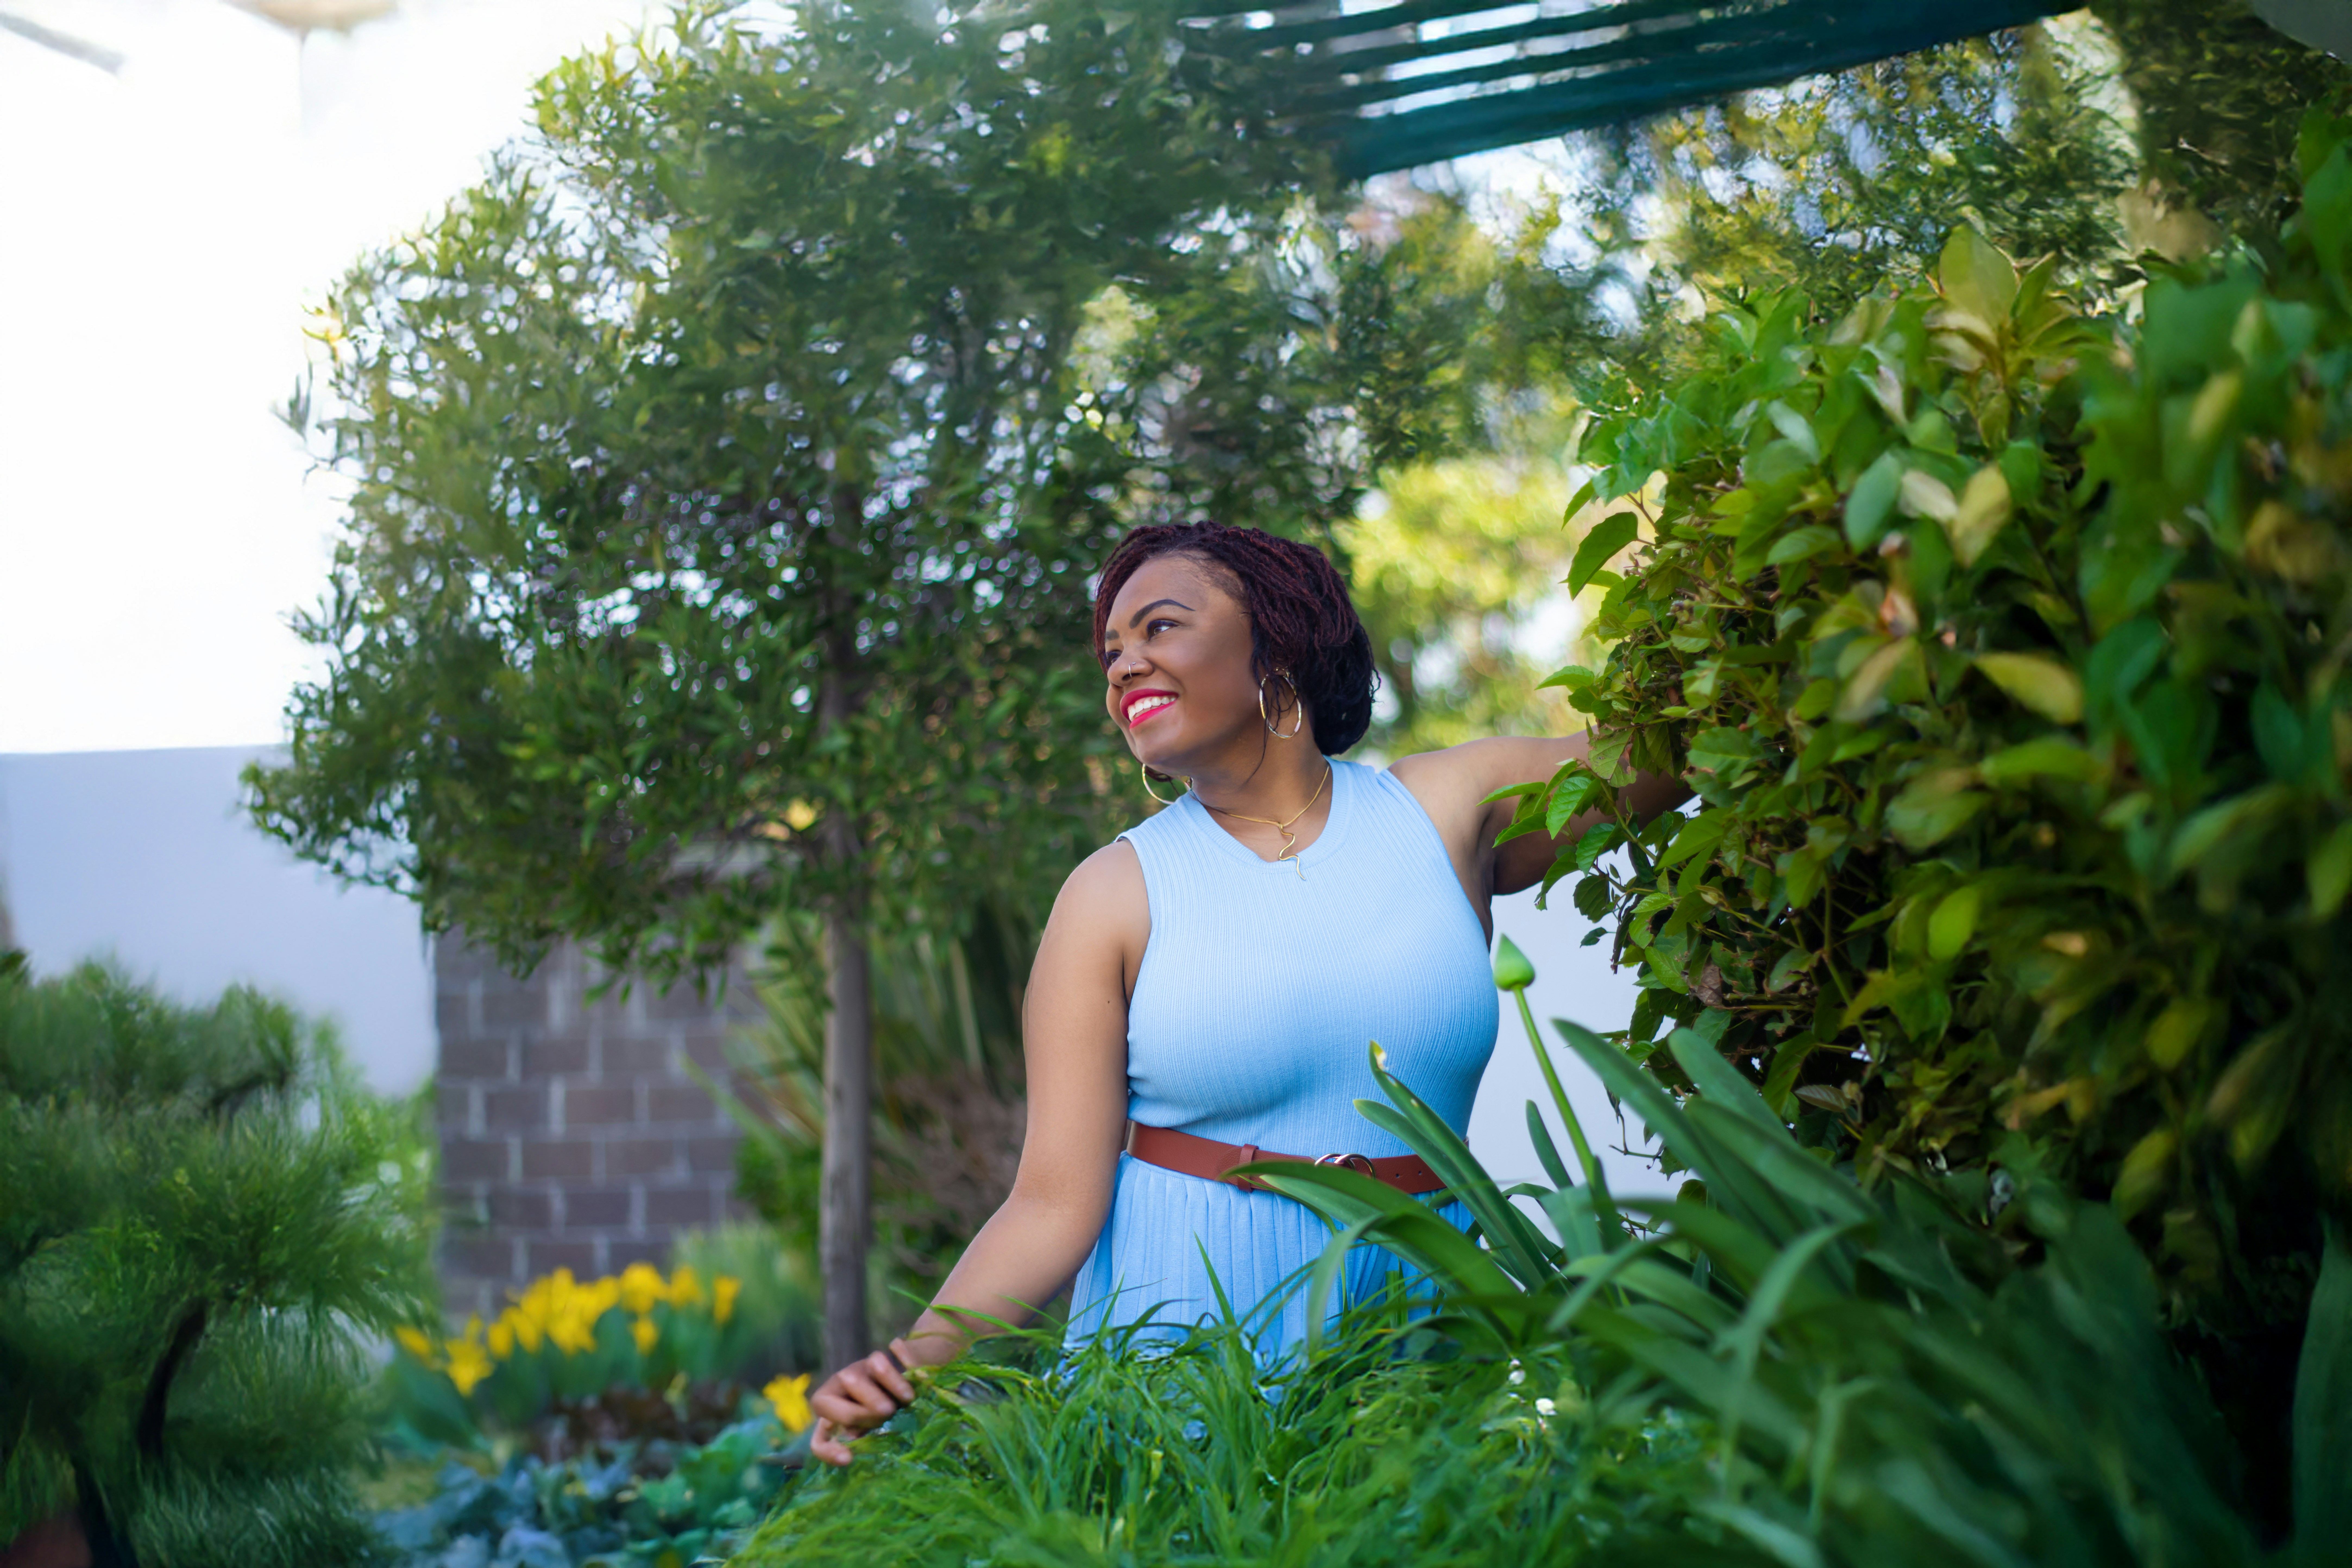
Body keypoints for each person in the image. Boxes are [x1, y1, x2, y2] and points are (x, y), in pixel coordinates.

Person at [808, 521, 1686, 1466]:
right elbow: (1052, 1200)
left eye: (1160, 628)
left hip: (1428, 1340)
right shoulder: (1111, 897)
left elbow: (1663, 755)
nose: (1123, 664)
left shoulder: (1443, 810)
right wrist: (908, 1367)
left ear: (1274, 640)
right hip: (1188, 1364)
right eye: (1112, 650)